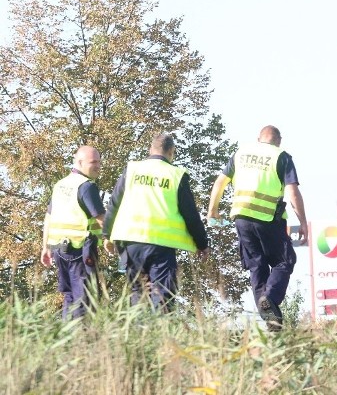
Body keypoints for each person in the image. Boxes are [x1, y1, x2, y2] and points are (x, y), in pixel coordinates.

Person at [207, 125, 307, 330]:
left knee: (256, 265)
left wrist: (212, 211)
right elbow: (292, 193)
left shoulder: (241, 153)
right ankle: (269, 299)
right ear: (279, 141)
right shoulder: (282, 156)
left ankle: (269, 317)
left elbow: (219, 183)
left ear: (259, 139)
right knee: (284, 261)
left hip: (241, 218)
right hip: (269, 219)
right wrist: (303, 222)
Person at [103, 133, 209, 312]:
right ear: (171, 152)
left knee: (137, 292)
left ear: (150, 149)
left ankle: (138, 335)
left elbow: (114, 202)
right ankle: (161, 336)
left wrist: (107, 235)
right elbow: (190, 214)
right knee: (162, 295)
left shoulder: (132, 169)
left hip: (130, 243)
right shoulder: (176, 175)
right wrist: (202, 243)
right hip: (161, 246)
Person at [41, 145, 105, 319]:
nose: (99, 166)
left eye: (99, 162)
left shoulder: (61, 184)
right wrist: (114, 241)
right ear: (80, 162)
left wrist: (45, 247)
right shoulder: (86, 186)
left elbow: (48, 217)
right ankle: (81, 340)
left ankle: (67, 339)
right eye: (94, 162)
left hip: (60, 251)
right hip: (79, 251)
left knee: (70, 296)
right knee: (85, 298)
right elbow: (101, 219)